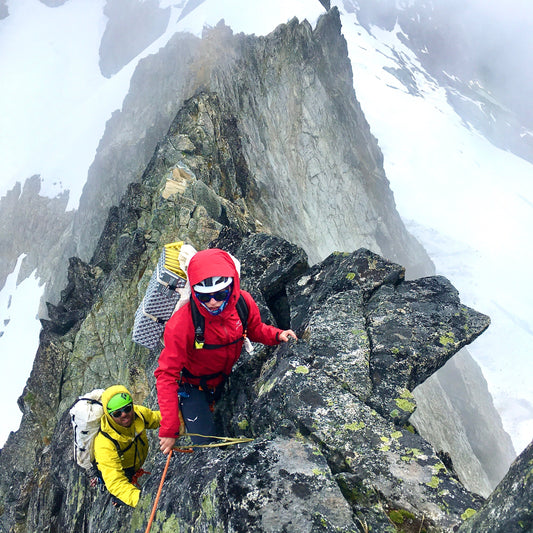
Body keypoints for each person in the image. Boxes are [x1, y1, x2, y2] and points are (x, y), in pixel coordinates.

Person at [155, 248, 297, 454]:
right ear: (194, 292)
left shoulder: (243, 303)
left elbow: (255, 329)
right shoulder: (182, 324)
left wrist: (276, 335)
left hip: (222, 380)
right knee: (206, 449)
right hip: (193, 387)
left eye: (220, 293)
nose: (213, 301)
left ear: (232, 286)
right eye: (204, 296)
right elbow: (166, 375)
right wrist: (169, 428)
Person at [93, 385, 161, 507]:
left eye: (127, 408)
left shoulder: (139, 414)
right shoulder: (104, 444)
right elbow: (116, 482)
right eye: (117, 413)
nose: (124, 414)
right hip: (121, 471)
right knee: (120, 494)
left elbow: (157, 418)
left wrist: (181, 417)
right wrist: (141, 501)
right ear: (109, 415)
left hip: (134, 463)